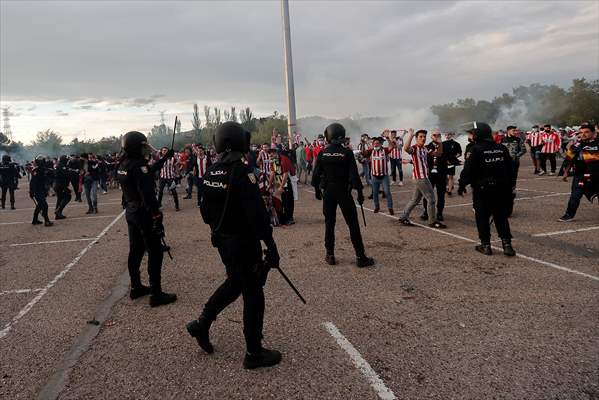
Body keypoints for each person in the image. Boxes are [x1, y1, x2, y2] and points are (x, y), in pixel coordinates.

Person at [186, 121, 282, 370]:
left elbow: (205, 212)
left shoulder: (210, 172)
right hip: (243, 243)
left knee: (235, 283)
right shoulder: (243, 172)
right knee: (253, 294)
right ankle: (253, 352)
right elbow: (258, 216)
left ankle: (202, 323)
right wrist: (270, 245)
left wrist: (221, 230)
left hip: (223, 241)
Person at [117, 131, 177, 307]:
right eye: (144, 145)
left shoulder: (124, 164)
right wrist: (157, 217)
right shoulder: (139, 166)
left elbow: (149, 169)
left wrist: (164, 158)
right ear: (138, 146)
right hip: (144, 214)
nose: (146, 148)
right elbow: (149, 196)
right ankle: (156, 294)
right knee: (155, 251)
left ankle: (136, 287)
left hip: (131, 211)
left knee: (135, 250)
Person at [312, 123, 375, 267]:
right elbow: (354, 177)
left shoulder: (323, 153)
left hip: (328, 191)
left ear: (328, 136)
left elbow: (315, 175)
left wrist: (317, 190)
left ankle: (330, 254)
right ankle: (360, 257)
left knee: (329, 223)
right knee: (353, 224)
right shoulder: (346, 153)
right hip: (343, 191)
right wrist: (359, 193)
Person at [458, 122, 515, 256]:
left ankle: (486, 246)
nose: (471, 136)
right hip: (502, 189)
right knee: (501, 216)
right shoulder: (501, 148)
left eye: (472, 133)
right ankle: (507, 245)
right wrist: (510, 185)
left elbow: (468, 170)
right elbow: (511, 168)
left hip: (483, 190)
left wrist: (462, 185)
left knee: (482, 217)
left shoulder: (475, 149)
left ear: (478, 134)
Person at [398, 129, 446, 229]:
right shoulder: (415, 148)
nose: (423, 138)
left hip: (422, 177)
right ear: (416, 138)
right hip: (420, 178)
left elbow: (439, 154)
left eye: (424, 137)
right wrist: (410, 135)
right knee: (431, 199)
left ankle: (403, 217)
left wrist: (440, 143)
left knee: (415, 200)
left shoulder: (424, 149)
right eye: (420, 137)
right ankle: (432, 221)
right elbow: (406, 148)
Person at [558, 124, 598, 222]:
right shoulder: (576, 146)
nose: (583, 134)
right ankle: (569, 215)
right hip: (580, 176)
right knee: (575, 196)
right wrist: (565, 173)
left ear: (593, 133)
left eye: (586, 132)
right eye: (581, 132)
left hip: (597, 175)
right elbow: (568, 160)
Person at [361, 135, 393, 214]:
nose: (376, 145)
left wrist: (388, 139)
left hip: (384, 176)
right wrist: (362, 144)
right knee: (375, 193)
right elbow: (363, 153)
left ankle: (390, 207)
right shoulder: (371, 151)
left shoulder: (384, 150)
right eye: (374, 143)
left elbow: (391, 147)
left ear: (380, 144)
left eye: (377, 143)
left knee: (387, 192)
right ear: (372, 144)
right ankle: (377, 207)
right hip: (374, 176)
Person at [421, 131, 448, 222]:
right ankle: (426, 211)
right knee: (427, 195)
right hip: (430, 175)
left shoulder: (444, 146)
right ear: (431, 137)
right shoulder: (427, 147)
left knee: (441, 195)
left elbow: (447, 159)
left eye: (439, 135)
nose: (437, 136)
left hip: (441, 175)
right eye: (434, 135)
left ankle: (440, 213)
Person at [501, 125, 526, 216]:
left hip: (514, 164)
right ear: (508, 131)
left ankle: (510, 201)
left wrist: (516, 156)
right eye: (513, 130)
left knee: (512, 182)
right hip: (503, 164)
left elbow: (523, 150)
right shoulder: (502, 140)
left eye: (515, 130)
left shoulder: (518, 140)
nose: (515, 132)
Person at [29, 156, 53, 226]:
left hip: (42, 190)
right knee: (44, 205)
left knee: (39, 205)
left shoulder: (43, 169)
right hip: (37, 191)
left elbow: (48, 176)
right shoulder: (36, 170)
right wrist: (31, 192)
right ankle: (47, 221)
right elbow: (32, 182)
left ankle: (35, 220)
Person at [157, 146, 180, 211]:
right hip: (162, 177)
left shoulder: (172, 158)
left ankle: (177, 206)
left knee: (174, 192)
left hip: (170, 178)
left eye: (166, 150)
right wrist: (149, 145)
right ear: (161, 151)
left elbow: (178, 161)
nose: (164, 151)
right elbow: (155, 151)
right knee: (160, 192)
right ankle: (159, 205)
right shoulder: (160, 157)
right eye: (163, 150)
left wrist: (176, 164)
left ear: (168, 151)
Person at [53, 155, 72, 219]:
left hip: (59, 185)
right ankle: (58, 211)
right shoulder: (61, 166)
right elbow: (66, 175)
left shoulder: (62, 165)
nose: (68, 161)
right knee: (68, 196)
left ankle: (58, 214)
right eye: (67, 160)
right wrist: (70, 172)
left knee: (60, 199)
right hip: (61, 185)